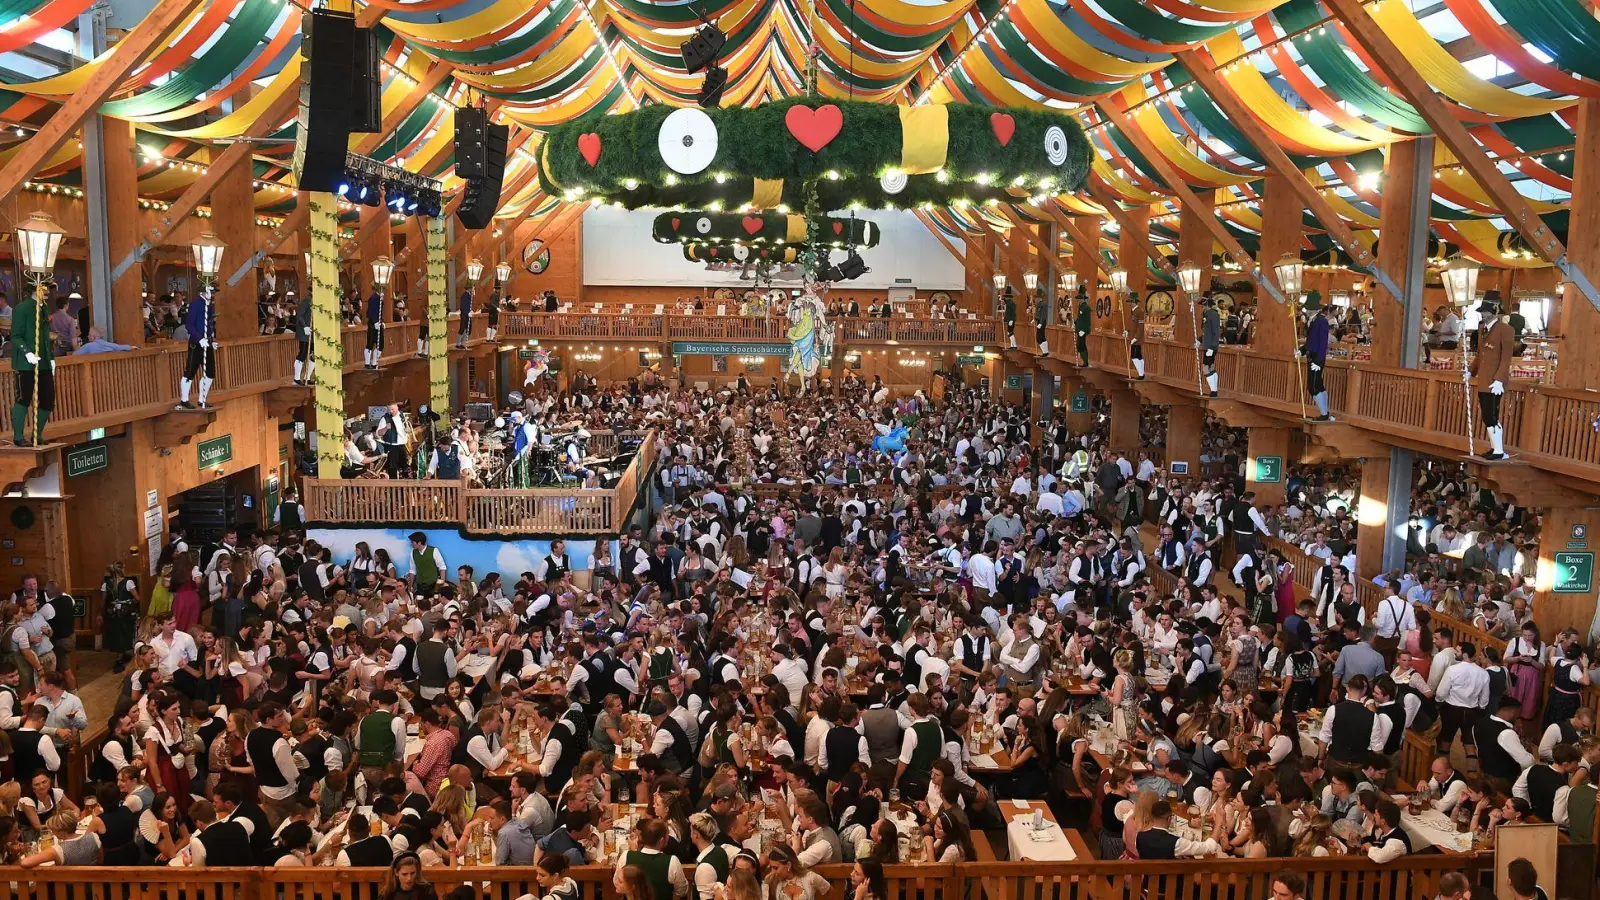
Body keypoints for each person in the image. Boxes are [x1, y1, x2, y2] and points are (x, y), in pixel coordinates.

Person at [178, 284, 218, 409]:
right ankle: (184, 399)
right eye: (211, 292)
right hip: (197, 342)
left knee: (210, 372)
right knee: (190, 371)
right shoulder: (196, 305)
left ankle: (202, 399)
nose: (213, 294)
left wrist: (211, 340)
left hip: (207, 341)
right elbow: (189, 325)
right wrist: (199, 339)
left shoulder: (209, 305)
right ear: (204, 292)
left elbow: (209, 324)